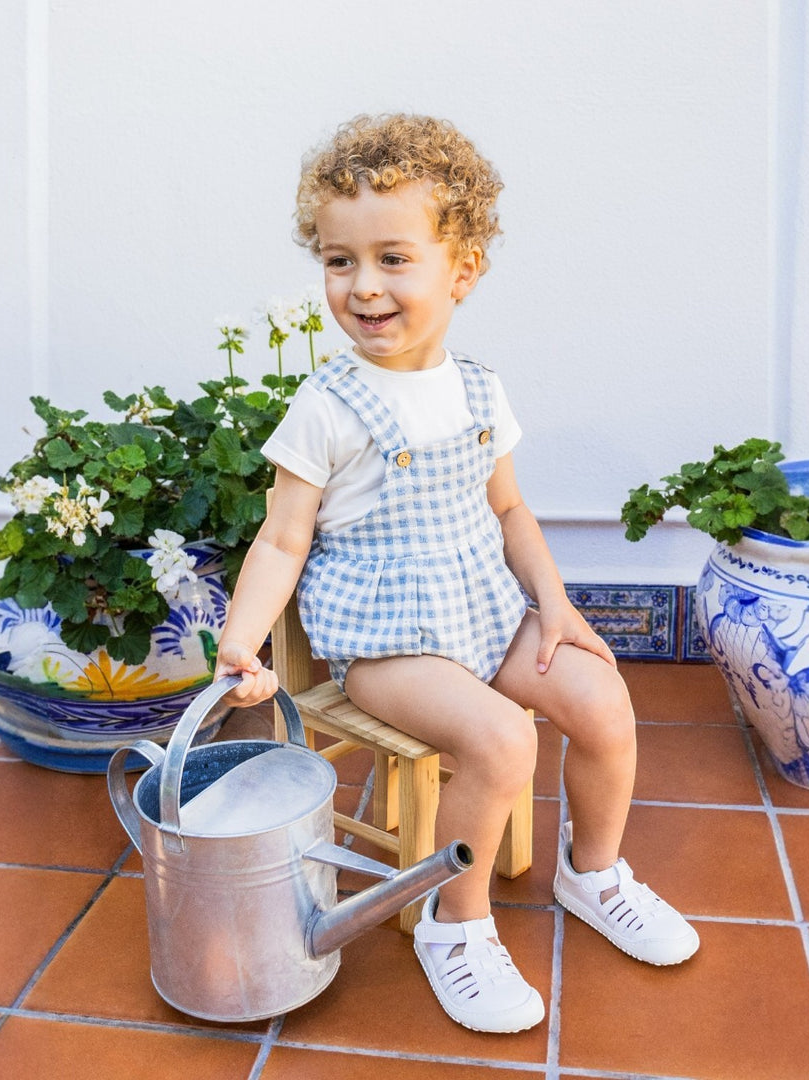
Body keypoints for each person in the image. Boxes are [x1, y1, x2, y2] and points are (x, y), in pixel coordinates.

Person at [215, 113, 699, 1034]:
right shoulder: (328, 404)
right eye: (338, 260)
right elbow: (281, 540)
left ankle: (593, 871)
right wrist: (240, 641)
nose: (362, 286)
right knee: (503, 743)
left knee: (601, 700)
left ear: (462, 270)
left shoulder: (479, 387)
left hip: (482, 610)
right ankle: (455, 922)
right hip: (388, 642)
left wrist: (553, 606)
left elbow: (510, 511)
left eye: (394, 258)